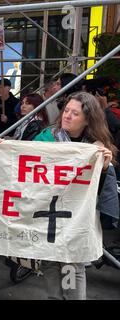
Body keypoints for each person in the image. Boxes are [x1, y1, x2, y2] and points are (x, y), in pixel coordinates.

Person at [34, 91, 116, 299]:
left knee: (71, 265)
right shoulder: (46, 138)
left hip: (76, 221)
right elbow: (23, 162)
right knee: (51, 263)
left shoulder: (95, 150)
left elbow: (96, 194)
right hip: (48, 214)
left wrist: (104, 169)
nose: (67, 116)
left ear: (88, 119)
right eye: (66, 110)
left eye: (75, 113)